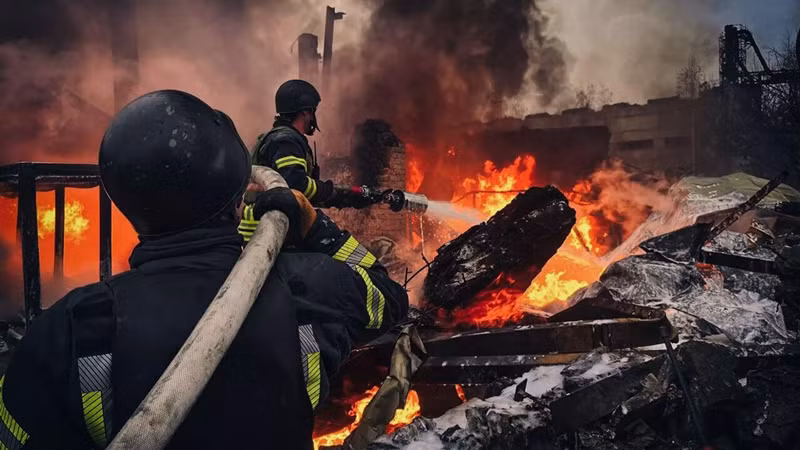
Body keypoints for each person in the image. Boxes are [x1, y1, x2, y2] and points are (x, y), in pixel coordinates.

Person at [0, 90, 408, 449]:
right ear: (237, 199)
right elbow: (389, 297)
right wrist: (316, 227)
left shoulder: (68, 332)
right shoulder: (310, 287)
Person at [251, 79, 373, 209]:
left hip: (275, 216)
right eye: (312, 111)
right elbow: (296, 186)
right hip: (271, 219)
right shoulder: (286, 142)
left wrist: (349, 197)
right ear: (305, 112)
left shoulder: (281, 138)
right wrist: (328, 191)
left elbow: (304, 195)